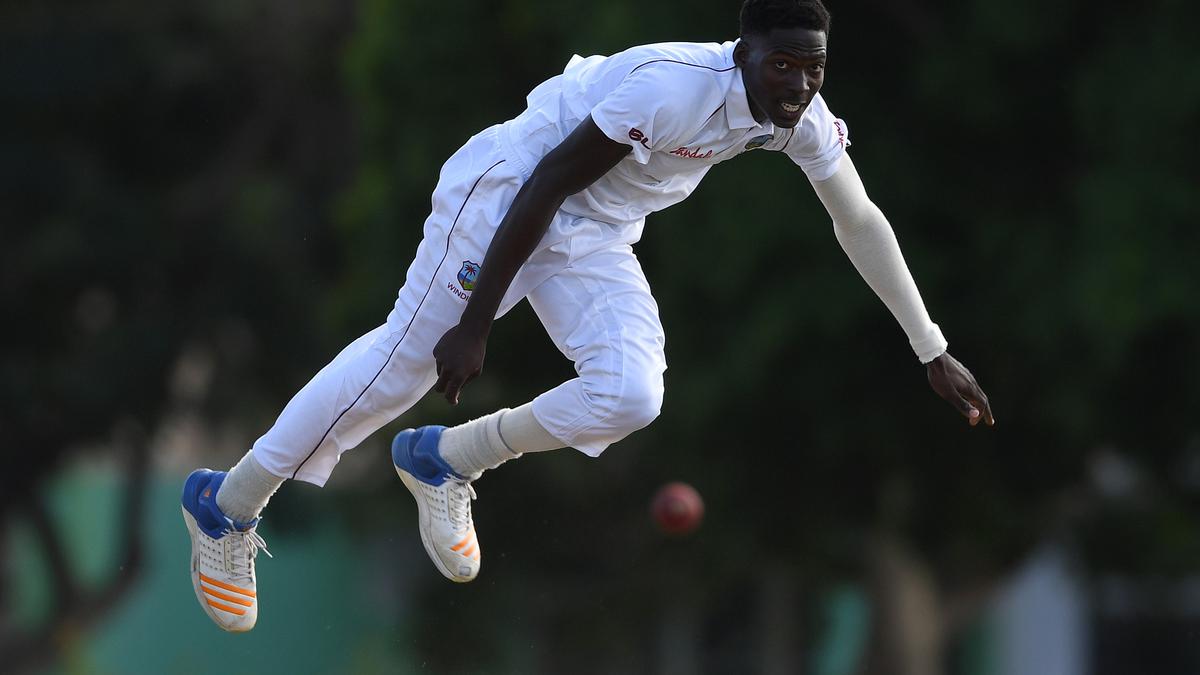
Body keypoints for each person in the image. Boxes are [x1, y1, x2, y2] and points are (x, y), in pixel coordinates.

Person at [180, 0, 995, 632]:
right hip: (509, 192)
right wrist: (473, 326)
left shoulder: (801, 120)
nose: (798, 85)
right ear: (742, 52)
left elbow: (859, 221)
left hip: (594, 229)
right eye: (782, 65)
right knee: (406, 363)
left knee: (632, 392)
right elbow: (545, 183)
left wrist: (930, 347)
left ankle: (445, 458)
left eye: (813, 69)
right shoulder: (673, 88)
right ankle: (229, 502)